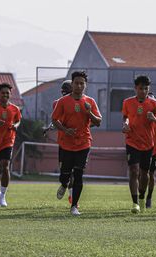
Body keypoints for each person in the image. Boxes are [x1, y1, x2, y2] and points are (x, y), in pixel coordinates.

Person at [51, 71, 102, 216]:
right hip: (66, 143)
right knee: (65, 174)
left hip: (84, 143)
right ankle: (63, 183)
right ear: (72, 84)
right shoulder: (63, 102)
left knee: (78, 174)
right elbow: (54, 120)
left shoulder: (90, 102)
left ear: (85, 85)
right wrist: (65, 130)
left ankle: (74, 206)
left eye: (82, 83)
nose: (79, 86)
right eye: (76, 83)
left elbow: (98, 122)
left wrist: (89, 113)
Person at [122, 75, 156, 213]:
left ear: (149, 89)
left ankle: (142, 197)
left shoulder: (154, 104)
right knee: (133, 171)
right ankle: (135, 203)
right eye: (141, 88)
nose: (143, 91)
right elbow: (125, 117)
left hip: (148, 143)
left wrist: (154, 119)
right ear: (135, 88)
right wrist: (125, 124)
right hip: (131, 141)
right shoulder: (127, 102)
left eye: (146, 88)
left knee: (144, 173)